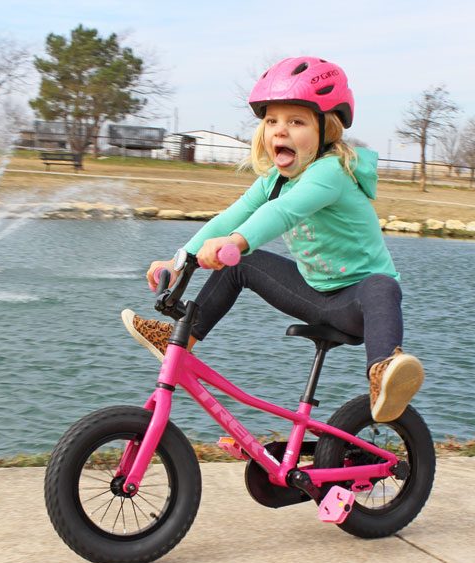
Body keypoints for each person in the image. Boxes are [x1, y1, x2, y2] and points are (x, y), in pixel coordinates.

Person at [121, 56, 424, 423]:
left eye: (296, 121)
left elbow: (283, 212)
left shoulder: (330, 173)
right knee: (241, 267)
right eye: (271, 121)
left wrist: (236, 241)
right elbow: (233, 215)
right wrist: (180, 258)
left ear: (326, 130)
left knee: (381, 285)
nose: (280, 131)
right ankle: (181, 340)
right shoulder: (274, 180)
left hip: (358, 305)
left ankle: (384, 372)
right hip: (314, 294)